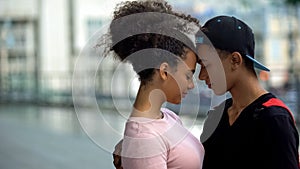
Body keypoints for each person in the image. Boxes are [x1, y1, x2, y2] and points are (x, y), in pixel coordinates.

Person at [106, 1, 204, 168]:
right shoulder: (143, 137)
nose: (191, 85)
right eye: (188, 75)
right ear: (164, 71)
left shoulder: (168, 117)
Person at [196, 15, 300, 169]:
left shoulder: (274, 120)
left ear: (235, 60)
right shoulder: (216, 116)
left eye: (207, 65)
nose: (201, 76)